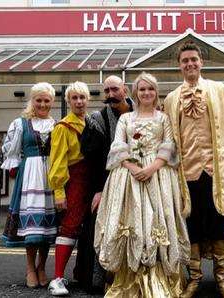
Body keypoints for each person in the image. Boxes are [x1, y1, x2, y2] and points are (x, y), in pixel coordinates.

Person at [94, 72, 190, 297]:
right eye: (142, 89)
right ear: (135, 92)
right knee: (134, 222)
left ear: (156, 93)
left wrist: (152, 167)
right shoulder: (126, 119)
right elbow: (118, 145)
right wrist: (133, 167)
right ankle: (130, 279)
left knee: (156, 221)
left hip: (158, 175)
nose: (146, 93)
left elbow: (169, 145)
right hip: (129, 177)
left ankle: (158, 280)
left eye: (151, 89)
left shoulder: (163, 118)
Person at [163, 41, 224, 298]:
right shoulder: (172, 98)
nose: (190, 64)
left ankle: (222, 280)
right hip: (187, 172)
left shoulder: (220, 90)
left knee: (219, 224)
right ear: (179, 65)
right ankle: (194, 279)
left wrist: (220, 157)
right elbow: (171, 136)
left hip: (215, 170)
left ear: (201, 62)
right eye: (185, 61)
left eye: (194, 59)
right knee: (191, 226)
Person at [76, 75, 133, 293]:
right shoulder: (96, 120)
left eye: (114, 90)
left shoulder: (141, 113)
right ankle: (101, 280)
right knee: (102, 231)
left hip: (139, 180)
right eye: (106, 91)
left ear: (125, 90)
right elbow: (92, 161)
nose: (110, 95)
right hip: (107, 183)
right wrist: (99, 191)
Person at [1, 82, 57, 288]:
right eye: (38, 100)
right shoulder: (20, 123)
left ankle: (42, 267)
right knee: (31, 229)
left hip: (49, 176)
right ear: (32, 100)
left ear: (52, 102)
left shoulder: (56, 125)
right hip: (29, 177)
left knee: (46, 227)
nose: (42, 104)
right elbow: (10, 151)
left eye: (46, 101)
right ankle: (30, 268)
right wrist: (18, 169)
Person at [48, 81, 91, 296]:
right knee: (70, 226)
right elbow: (57, 161)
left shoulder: (91, 122)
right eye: (74, 98)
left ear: (88, 99)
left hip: (91, 180)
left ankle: (85, 274)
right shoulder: (63, 127)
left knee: (90, 229)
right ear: (68, 101)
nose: (79, 101)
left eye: (82, 97)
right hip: (74, 180)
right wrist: (58, 192)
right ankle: (57, 278)